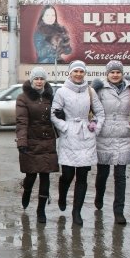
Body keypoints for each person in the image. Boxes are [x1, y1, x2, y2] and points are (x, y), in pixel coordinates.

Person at [51, 60, 105, 226]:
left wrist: (95, 125)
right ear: (70, 73)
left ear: (85, 73)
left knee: (82, 176)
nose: (79, 74)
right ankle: (62, 195)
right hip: (69, 135)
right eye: (76, 71)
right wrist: (64, 127)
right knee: (68, 175)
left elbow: (100, 112)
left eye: (81, 72)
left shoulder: (90, 91)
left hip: (85, 136)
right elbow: (53, 113)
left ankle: (77, 212)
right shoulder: (62, 91)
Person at [91, 60, 130, 225]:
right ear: (107, 74)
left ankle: (119, 211)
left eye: (118, 72)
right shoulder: (99, 89)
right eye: (112, 72)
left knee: (120, 176)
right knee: (103, 173)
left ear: (122, 73)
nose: (115, 74)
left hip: (123, 134)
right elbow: (92, 109)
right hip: (104, 133)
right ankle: (99, 196)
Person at [15, 67, 59, 224]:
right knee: (31, 175)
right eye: (36, 79)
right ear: (32, 80)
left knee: (45, 175)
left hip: (47, 141)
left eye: (42, 78)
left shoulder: (51, 97)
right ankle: (26, 191)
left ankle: (41, 210)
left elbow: (57, 116)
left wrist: (61, 116)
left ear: (45, 80)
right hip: (31, 141)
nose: (39, 81)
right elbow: (22, 121)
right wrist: (22, 141)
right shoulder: (23, 98)